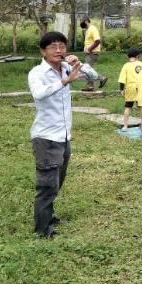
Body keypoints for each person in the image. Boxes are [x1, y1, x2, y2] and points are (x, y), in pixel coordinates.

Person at [28, 31, 85, 238]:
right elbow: (39, 94)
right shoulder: (37, 73)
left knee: (57, 180)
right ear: (43, 51)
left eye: (62, 46)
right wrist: (64, 81)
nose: (58, 50)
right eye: (53, 46)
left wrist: (79, 64)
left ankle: (48, 215)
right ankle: (43, 230)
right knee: (47, 184)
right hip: (46, 137)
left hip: (64, 136)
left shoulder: (66, 68)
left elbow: (90, 76)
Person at [79, 17, 108, 92]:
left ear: (85, 21)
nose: (80, 23)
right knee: (88, 69)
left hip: (92, 53)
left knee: (86, 69)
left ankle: (102, 78)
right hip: (90, 53)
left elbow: (97, 41)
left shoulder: (93, 28)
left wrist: (89, 49)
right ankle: (90, 86)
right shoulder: (88, 30)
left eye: (81, 21)